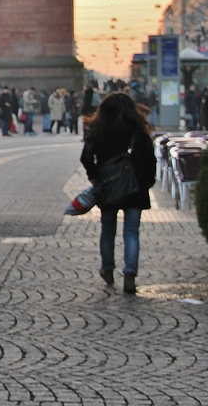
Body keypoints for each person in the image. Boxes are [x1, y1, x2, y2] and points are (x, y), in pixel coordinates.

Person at [80, 92, 157, 294]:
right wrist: (147, 182)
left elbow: (86, 157)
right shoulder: (138, 131)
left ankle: (108, 269)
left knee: (108, 230)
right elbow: (151, 159)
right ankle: (130, 273)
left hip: (108, 186)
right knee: (131, 231)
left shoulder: (99, 130)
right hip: (135, 187)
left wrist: (96, 177)